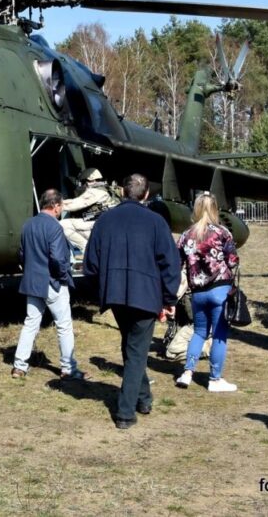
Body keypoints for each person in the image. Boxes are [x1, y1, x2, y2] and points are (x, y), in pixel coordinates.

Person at [83, 174, 179, 429]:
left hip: (115, 294)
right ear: (146, 195)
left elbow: (90, 264)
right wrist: (169, 298)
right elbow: (170, 263)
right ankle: (125, 412)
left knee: (131, 347)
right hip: (146, 295)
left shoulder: (104, 221)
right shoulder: (156, 222)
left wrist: (100, 289)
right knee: (135, 351)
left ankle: (144, 398)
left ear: (123, 192)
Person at [11, 189, 86, 380]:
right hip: (53, 283)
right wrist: (63, 277)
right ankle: (68, 369)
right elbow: (59, 259)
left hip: (32, 282)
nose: (61, 209)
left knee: (30, 324)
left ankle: (19, 366)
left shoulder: (28, 225)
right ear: (55, 205)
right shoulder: (55, 227)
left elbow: (22, 254)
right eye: (61, 205)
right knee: (64, 326)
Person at [175, 193, 240, 392]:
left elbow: (178, 262)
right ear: (215, 209)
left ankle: (187, 372)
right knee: (219, 334)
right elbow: (232, 260)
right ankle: (215, 378)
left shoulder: (186, 235)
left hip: (197, 292)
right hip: (219, 289)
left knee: (199, 332)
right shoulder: (222, 232)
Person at [59, 168, 115, 253]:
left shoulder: (94, 192)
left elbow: (76, 204)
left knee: (63, 224)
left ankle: (86, 248)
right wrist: (60, 202)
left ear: (89, 180)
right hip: (104, 226)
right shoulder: (104, 189)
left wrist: (56, 206)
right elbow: (76, 200)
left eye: (82, 182)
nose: (82, 186)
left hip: (99, 226)